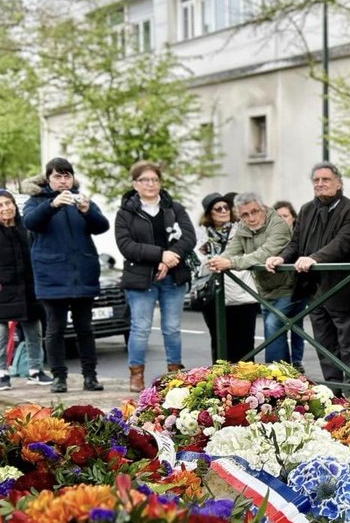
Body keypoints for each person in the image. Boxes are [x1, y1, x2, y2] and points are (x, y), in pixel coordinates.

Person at [266, 162, 350, 391]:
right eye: (316, 180)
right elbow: (296, 242)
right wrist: (281, 257)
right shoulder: (306, 209)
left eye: (326, 179)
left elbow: (342, 243)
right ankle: (333, 391)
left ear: (338, 183)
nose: (320, 184)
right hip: (315, 289)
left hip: (342, 288)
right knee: (324, 344)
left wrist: (315, 258)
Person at [23, 157, 108, 393]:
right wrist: (52, 206)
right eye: (58, 176)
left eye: (67, 175)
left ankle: (90, 376)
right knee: (55, 329)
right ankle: (59, 377)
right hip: (51, 275)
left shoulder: (81, 199)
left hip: (83, 274)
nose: (63, 180)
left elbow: (102, 226)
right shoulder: (36, 201)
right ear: (48, 179)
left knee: (85, 329)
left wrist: (88, 211)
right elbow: (29, 222)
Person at [114, 162, 195, 391]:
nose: (150, 184)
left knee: (172, 327)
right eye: (144, 180)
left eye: (154, 180)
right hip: (140, 279)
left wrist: (171, 257)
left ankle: (175, 373)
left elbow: (189, 237)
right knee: (140, 327)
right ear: (135, 184)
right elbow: (126, 245)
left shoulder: (174, 208)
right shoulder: (125, 213)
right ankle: (136, 375)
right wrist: (161, 255)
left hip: (174, 275)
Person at [0, 190, 50, 390]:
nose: (6, 208)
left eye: (8, 203)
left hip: (28, 290)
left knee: (34, 332)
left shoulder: (26, 227)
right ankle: (2, 373)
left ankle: (35, 370)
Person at [212, 193, 294, 363]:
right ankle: (287, 374)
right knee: (274, 331)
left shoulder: (278, 224)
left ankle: (273, 375)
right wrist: (219, 260)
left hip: (290, 286)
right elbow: (232, 250)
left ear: (263, 208)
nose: (251, 218)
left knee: (273, 326)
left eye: (254, 211)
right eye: (244, 214)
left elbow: (264, 254)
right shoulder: (243, 227)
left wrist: (230, 263)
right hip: (264, 289)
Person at [196, 193, 258, 362]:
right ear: (209, 213)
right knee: (219, 343)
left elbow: (252, 253)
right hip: (214, 296)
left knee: (245, 345)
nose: (224, 211)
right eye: (218, 208)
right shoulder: (201, 235)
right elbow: (195, 261)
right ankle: (222, 384)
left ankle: (245, 384)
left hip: (242, 294)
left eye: (226, 208)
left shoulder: (242, 229)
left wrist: (227, 262)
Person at [272, 201, 306, 369]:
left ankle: (297, 361)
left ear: (293, 218)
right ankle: (284, 363)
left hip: (299, 285)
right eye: (278, 217)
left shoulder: (298, 236)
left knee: (297, 325)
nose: (282, 219)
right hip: (280, 289)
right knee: (278, 323)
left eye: (285, 216)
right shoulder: (272, 236)